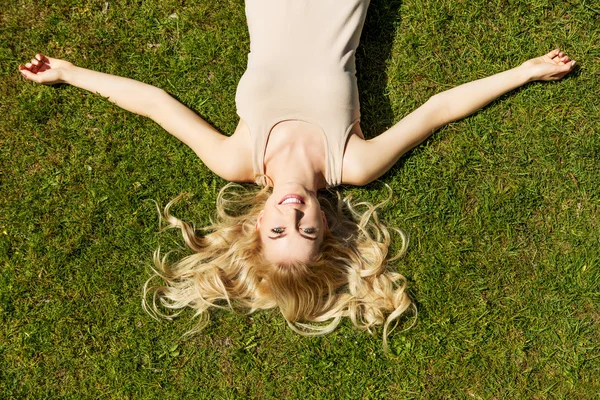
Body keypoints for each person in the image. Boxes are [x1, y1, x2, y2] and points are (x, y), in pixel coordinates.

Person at [19, 0, 575, 350]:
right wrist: (522, 73)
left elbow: (156, 102)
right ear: (327, 229)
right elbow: (436, 109)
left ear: (254, 227)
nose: (291, 214)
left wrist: (72, 73)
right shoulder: (352, 163)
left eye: (278, 231)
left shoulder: (235, 159)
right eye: (306, 230)